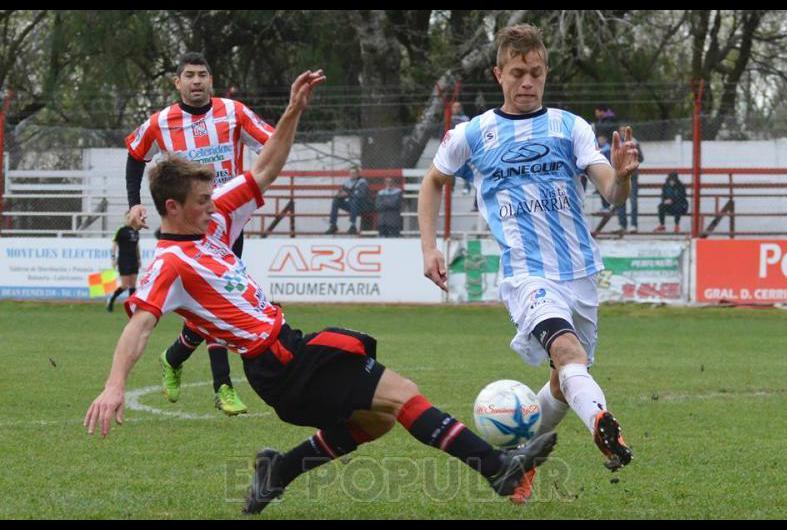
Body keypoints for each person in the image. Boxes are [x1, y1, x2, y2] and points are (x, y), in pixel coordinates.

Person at [83, 70, 558, 517]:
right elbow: (140, 327)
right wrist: (113, 384)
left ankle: (281, 469)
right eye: (202, 202)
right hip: (277, 365)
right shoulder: (168, 265)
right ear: (172, 208)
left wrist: (292, 111)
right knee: (402, 395)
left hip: (288, 351)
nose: (213, 207)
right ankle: (497, 469)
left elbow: (266, 168)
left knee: (376, 421)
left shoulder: (215, 220)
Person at [418, 23, 637, 504]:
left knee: (562, 381)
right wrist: (429, 247)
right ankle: (603, 424)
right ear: (499, 73)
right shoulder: (473, 134)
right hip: (527, 274)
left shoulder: (569, 126)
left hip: (579, 273)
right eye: (517, 73)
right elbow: (432, 182)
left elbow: (610, 191)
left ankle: (519, 457)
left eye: (535, 73)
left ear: (545, 72)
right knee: (568, 355)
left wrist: (621, 178)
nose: (527, 83)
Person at [124, 52, 275, 415]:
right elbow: (135, 155)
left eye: (202, 75)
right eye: (189, 75)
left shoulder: (233, 112)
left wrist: (246, 182)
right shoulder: (160, 121)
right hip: (186, 226)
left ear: (211, 80)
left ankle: (174, 356)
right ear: (177, 83)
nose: (196, 81)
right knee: (218, 302)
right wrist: (135, 203)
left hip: (227, 220)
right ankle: (222, 386)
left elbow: (270, 143)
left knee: (215, 304)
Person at [106, 214, 140, 313]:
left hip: (134, 260)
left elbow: (137, 246)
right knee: (125, 285)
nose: (130, 219)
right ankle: (111, 299)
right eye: (128, 217)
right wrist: (113, 259)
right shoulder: (121, 231)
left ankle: (131, 307)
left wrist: (139, 259)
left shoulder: (136, 231)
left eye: (131, 217)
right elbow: (114, 245)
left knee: (133, 285)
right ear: (125, 219)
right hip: (124, 260)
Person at [324, 166, 371, 235]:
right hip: (352, 206)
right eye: (351, 173)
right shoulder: (347, 182)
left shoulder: (362, 182)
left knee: (354, 200)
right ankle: (333, 225)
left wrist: (348, 194)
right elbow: (343, 193)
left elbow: (361, 195)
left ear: (358, 174)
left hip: (363, 206)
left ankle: (353, 226)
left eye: (354, 173)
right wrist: (339, 195)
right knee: (336, 201)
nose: (352, 175)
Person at [615, 126, 644, 234]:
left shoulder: (634, 143)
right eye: (621, 131)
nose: (622, 133)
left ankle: (633, 225)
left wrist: (632, 158)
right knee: (620, 200)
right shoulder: (617, 144)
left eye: (624, 131)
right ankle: (622, 225)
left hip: (632, 175)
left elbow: (641, 158)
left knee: (633, 200)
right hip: (621, 175)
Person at [450, 102, 473, 195]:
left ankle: (467, 187)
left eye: (458, 107)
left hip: (464, 146)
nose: (456, 109)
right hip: (452, 146)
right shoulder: (448, 119)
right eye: (454, 107)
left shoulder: (465, 119)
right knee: (451, 167)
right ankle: (451, 187)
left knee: (465, 167)